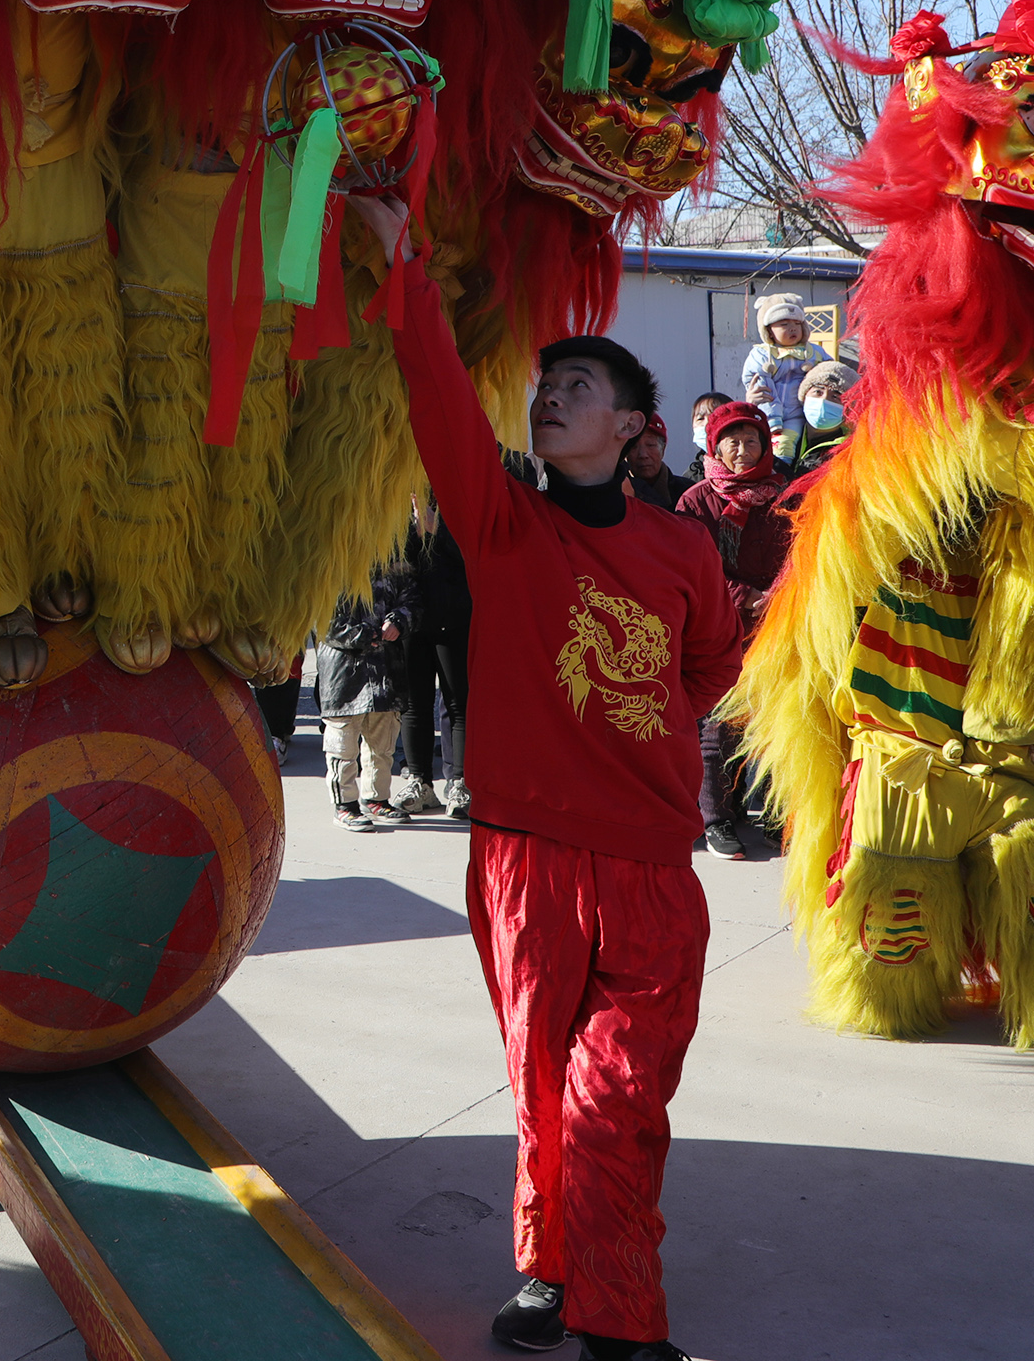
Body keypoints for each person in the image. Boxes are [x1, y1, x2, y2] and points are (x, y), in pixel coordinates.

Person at [368, 196, 740, 1361]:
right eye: (544, 384)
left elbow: (710, 670)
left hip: (648, 863)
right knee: (541, 1083)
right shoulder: (505, 526)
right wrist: (404, 269)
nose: (549, 396)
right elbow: (437, 400)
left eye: (577, 386)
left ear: (633, 426)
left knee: (616, 1097)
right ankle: (552, 1266)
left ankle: (618, 1317)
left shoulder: (685, 547)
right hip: (524, 852)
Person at [676, 402, 791, 859]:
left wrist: (780, 595)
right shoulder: (697, 499)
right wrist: (745, 595)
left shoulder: (787, 494)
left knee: (777, 721)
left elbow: (805, 552)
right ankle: (716, 820)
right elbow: (691, 563)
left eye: (751, 441)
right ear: (715, 446)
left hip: (780, 623)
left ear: (765, 445)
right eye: (732, 441)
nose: (742, 450)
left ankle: (772, 814)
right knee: (719, 726)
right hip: (719, 627)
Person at [315, 557, 416, 830]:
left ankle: (376, 798)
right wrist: (362, 635)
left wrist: (399, 621)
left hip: (386, 670)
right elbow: (319, 618)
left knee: (382, 744)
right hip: (344, 674)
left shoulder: (392, 559)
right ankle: (344, 805)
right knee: (343, 744)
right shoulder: (327, 561)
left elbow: (412, 599)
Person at [394, 496, 471, 817]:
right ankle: (419, 780)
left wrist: (436, 529)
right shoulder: (398, 491)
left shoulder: (458, 488)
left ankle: (459, 782)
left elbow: (474, 553)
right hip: (411, 616)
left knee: (458, 702)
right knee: (414, 703)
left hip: (454, 612)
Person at [740, 294, 828, 463]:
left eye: (797, 324)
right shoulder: (761, 354)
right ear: (769, 331)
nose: (792, 328)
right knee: (782, 449)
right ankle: (782, 476)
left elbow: (831, 372)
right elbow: (760, 384)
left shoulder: (813, 352)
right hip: (771, 416)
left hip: (803, 414)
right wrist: (771, 418)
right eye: (784, 324)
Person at [786, 358, 858, 478]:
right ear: (804, 396)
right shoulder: (785, 432)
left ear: (848, 408)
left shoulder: (848, 451)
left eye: (835, 396)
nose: (824, 400)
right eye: (818, 392)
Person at [621, 414, 690, 511]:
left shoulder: (688, 492)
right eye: (634, 447)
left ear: (663, 448)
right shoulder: (618, 494)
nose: (643, 455)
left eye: (650, 445)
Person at [682, 393, 730, 482]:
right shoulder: (691, 478)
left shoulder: (746, 465)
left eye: (714, 417)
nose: (707, 424)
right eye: (700, 419)